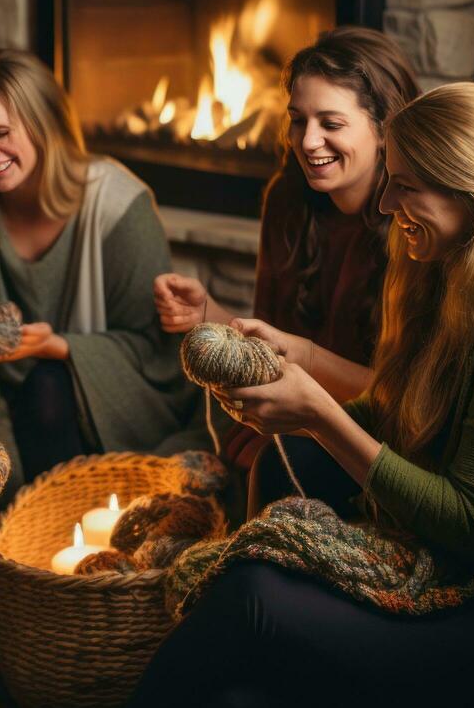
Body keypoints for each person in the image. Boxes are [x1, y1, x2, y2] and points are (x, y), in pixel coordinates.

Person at [87, 82, 474, 708]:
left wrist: (320, 415)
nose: (388, 205)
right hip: (442, 557)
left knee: (250, 593)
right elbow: (404, 410)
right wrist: (300, 401)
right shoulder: (444, 270)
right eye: (390, 182)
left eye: (407, 187)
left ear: (472, 194)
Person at [0, 48, 202, 486]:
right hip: (0, 394)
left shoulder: (118, 205)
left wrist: (59, 348)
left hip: (109, 394)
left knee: (47, 387)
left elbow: (160, 354)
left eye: (1, 133)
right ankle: (16, 519)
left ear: (42, 124)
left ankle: (60, 517)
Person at [154, 27, 420, 473]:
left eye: (331, 123)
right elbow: (274, 343)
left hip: (371, 435)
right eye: (299, 120)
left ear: (383, 129)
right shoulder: (289, 199)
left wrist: (303, 373)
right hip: (286, 410)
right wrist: (209, 314)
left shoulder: (413, 224)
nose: (307, 141)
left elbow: (404, 402)